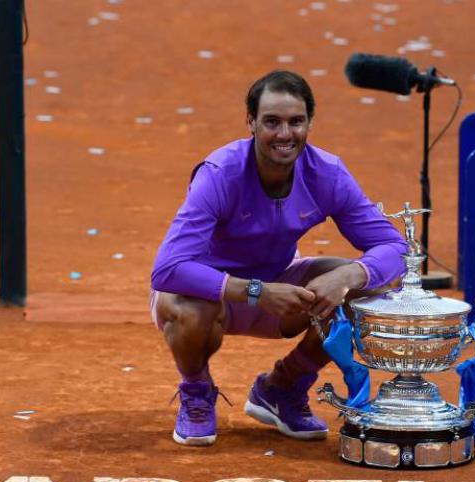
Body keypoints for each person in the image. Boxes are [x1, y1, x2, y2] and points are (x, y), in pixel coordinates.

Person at [150, 70, 407, 446]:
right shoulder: (220, 174)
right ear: (251, 122)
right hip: (209, 295)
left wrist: (351, 274)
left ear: (309, 123)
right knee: (188, 310)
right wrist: (256, 292)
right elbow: (168, 269)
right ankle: (196, 390)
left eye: (295, 122)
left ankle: (282, 388)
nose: (284, 134)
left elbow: (396, 248)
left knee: (370, 288)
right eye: (272, 121)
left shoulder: (327, 174)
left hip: (280, 287)